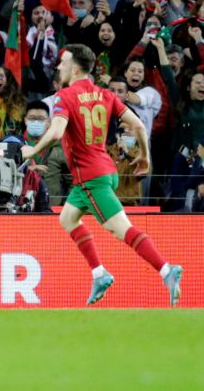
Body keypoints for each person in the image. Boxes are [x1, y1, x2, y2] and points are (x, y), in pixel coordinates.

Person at [21, 44, 183, 306]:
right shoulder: (104, 94)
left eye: (63, 62)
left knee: (122, 231)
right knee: (67, 217)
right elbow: (140, 126)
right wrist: (145, 157)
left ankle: (167, 270)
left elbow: (56, 133)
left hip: (90, 178)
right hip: (104, 170)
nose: (59, 66)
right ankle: (99, 273)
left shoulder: (65, 96)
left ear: (75, 68)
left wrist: (32, 150)